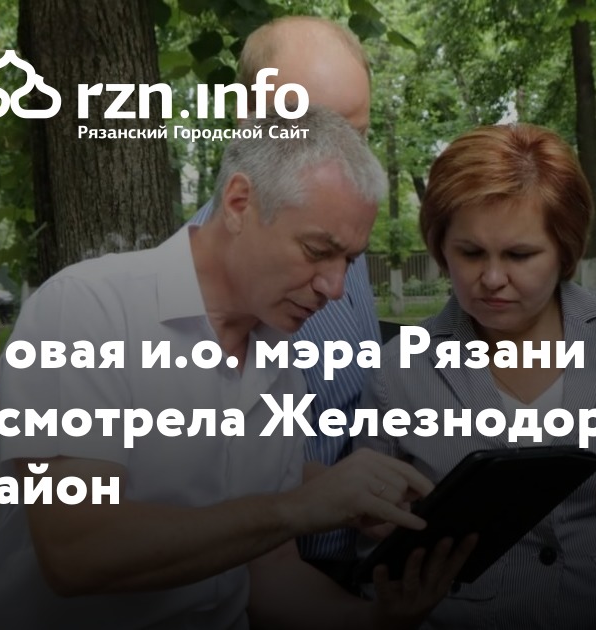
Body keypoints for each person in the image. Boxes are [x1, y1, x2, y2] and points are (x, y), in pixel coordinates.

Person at [0, 108, 472, 630]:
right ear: (239, 203)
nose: (334, 287)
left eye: (350, 262)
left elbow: (270, 575)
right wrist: (297, 507)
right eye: (317, 251)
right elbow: (78, 550)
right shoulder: (87, 309)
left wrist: (377, 618)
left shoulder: (279, 360)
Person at [354, 123, 596, 629]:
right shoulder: (396, 371)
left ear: (565, 249)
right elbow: (375, 554)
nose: (492, 278)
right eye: (470, 253)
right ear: (439, 245)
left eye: (519, 255)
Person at [186, 16, 382, 578]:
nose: (342, 165)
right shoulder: (190, 301)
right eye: (311, 130)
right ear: (246, 121)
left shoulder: (344, 257)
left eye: (356, 137)